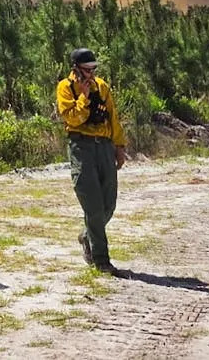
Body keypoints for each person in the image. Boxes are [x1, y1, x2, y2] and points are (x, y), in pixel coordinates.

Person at [57, 47, 128, 276]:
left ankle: (87, 236)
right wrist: (84, 98)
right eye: (87, 69)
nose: (91, 73)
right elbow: (72, 119)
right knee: (93, 206)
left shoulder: (102, 86)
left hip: (104, 147)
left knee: (109, 204)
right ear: (76, 69)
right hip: (82, 148)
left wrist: (119, 146)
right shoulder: (65, 88)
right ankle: (101, 260)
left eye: (93, 69)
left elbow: (113, 117)